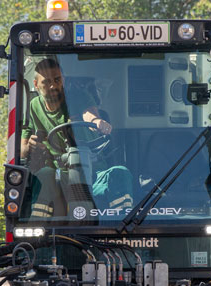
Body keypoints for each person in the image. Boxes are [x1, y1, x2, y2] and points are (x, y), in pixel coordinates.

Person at [21, 58, 133, 218]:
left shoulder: (78, 96)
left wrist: (97, 122)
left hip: (94, 173)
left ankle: (121, 222)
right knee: (44, 175)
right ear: (36, 84)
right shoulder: (33, 106)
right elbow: (22, 150)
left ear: (64, 80)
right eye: (46, 82)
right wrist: (30, 146)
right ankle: (38, 226)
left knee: (120, 173)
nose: (53, 86)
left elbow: (89, 114)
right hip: (60, 176)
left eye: (57, 80)